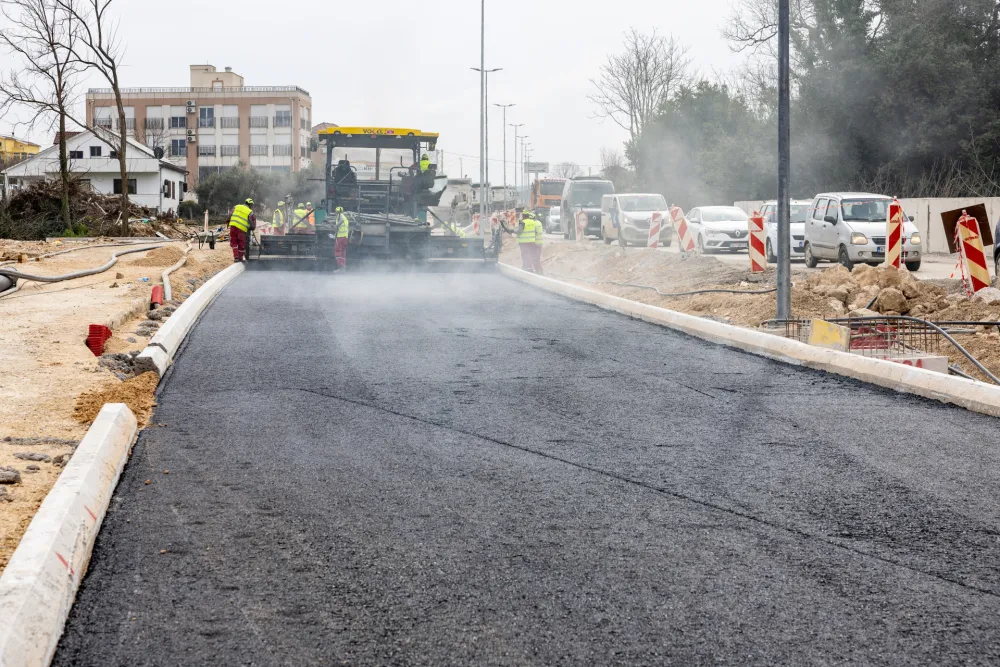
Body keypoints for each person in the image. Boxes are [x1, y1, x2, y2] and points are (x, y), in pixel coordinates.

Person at [227, 198, 256, 263]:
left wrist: (228, 222)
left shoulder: (236, 206)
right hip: (241, 229)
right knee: (241, 244)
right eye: (252, 205)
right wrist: (251, 228)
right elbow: (253, 223)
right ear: (250, 204)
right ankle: (240, 258)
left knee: (234, 243)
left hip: (233, 227)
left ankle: (236, 257)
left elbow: (229, 215)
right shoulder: (250, 211)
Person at [517, 208, 538, 272]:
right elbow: (536, 231)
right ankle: (528, 267)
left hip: (524, 242)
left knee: (525, 255)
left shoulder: (522, 222)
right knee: (531, 254)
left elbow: (519, 232)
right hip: (532, 241)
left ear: (523, 215)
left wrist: (512, 231)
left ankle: (528, 268)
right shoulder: (533, 222)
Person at [333, 206, 350, 270]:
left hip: (340, 237)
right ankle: (343, 266)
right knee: (343, 252)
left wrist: (336, 226)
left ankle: (340, 265)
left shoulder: (339, 216)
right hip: (345, 237)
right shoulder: (345, 218)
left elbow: (341, 221)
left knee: (337, 251)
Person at [532, 209, 544, 274]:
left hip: (535, 243)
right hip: (539, 243)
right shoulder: (539, 222)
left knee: (535, 258)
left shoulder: (533, 224)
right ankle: (538, 270)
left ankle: (539, 271)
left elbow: (533, 233)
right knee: (537, 258)